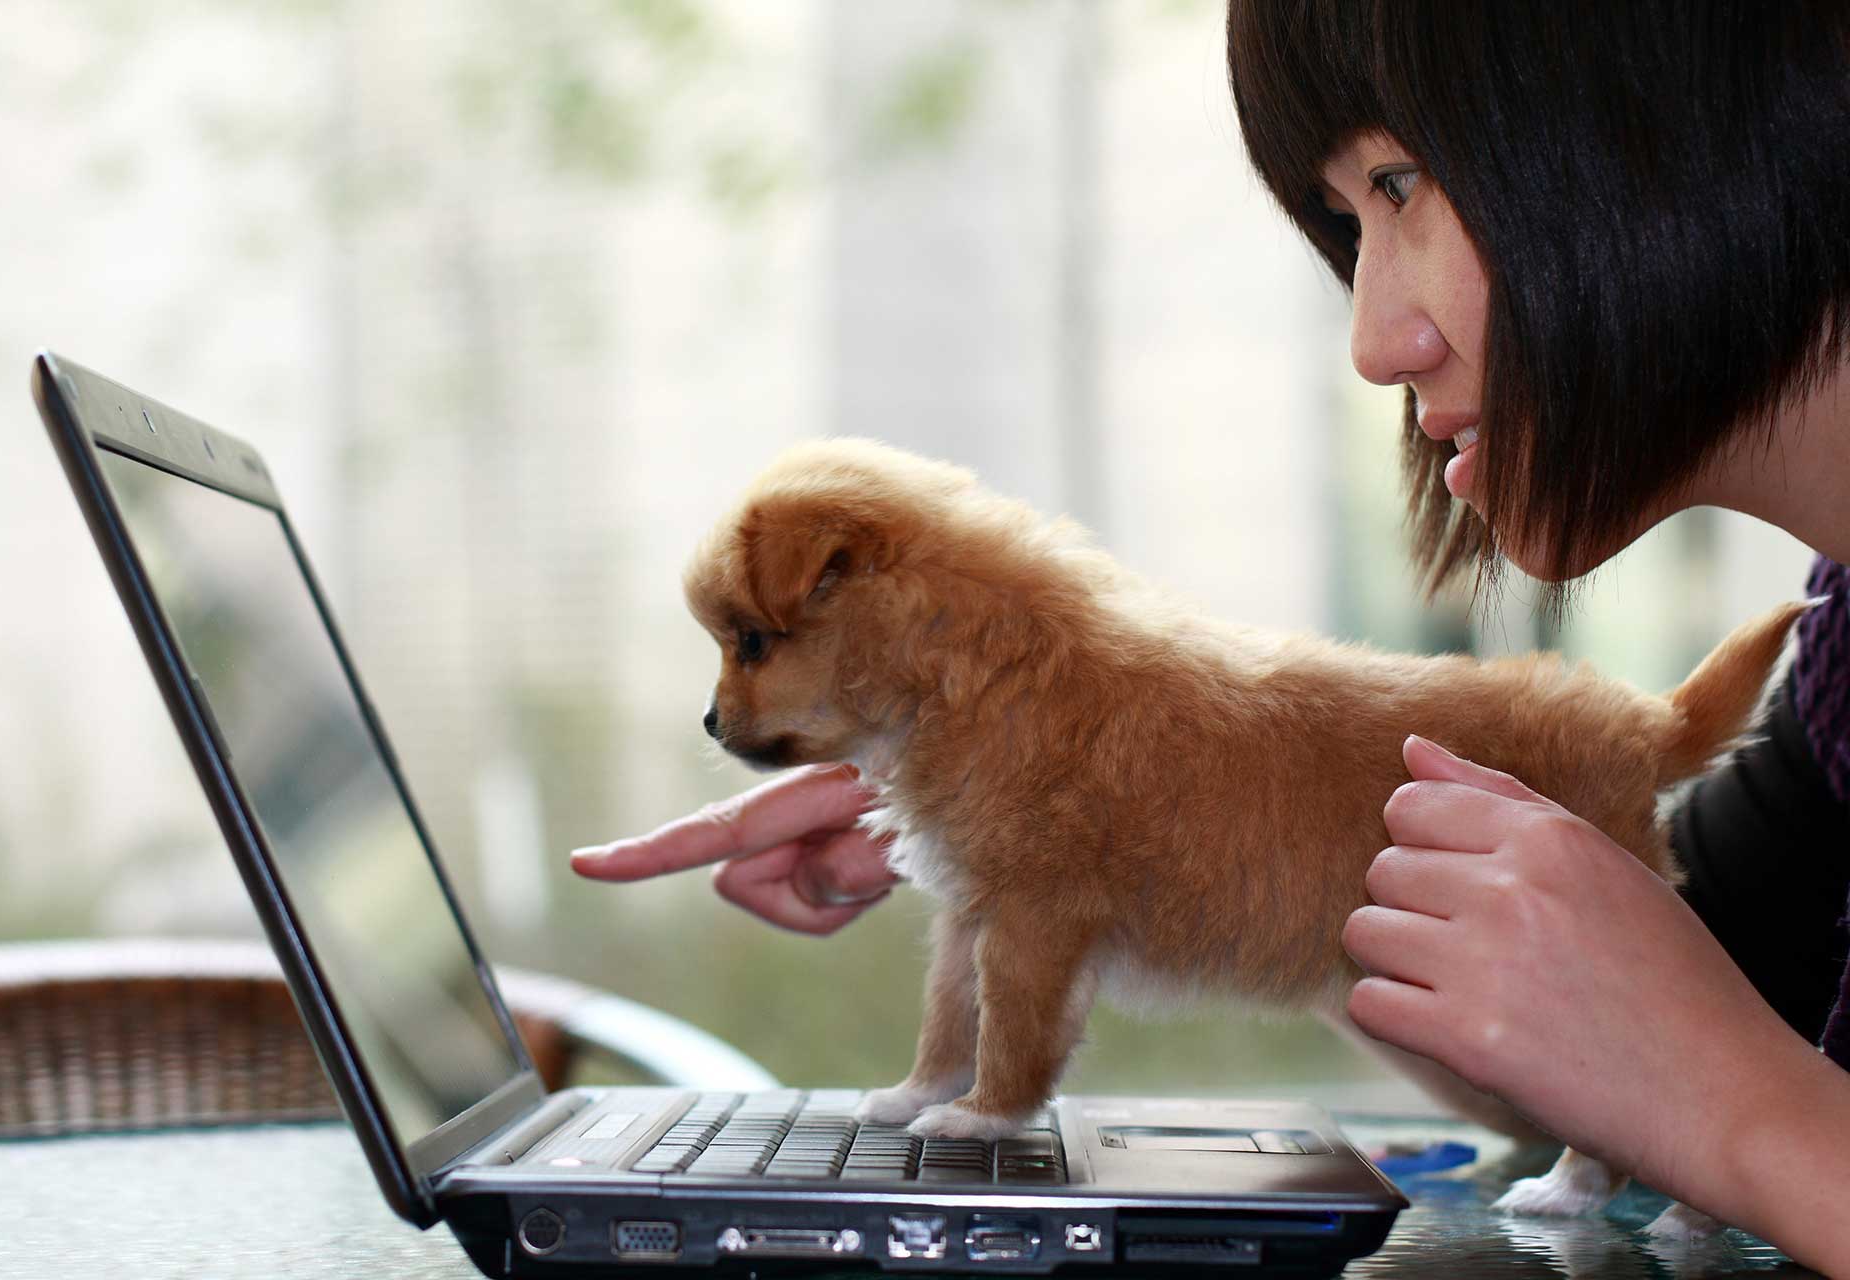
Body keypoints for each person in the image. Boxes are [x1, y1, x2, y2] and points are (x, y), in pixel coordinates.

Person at [571, 3, 1850, 1270]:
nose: (1373, 339)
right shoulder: (1834, 698)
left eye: (1404, 181)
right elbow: (1637, 1021)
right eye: (1347, 223)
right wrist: (1213, 828)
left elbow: (1716, 1070)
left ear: (1683, 108)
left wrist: (1738, 1109)